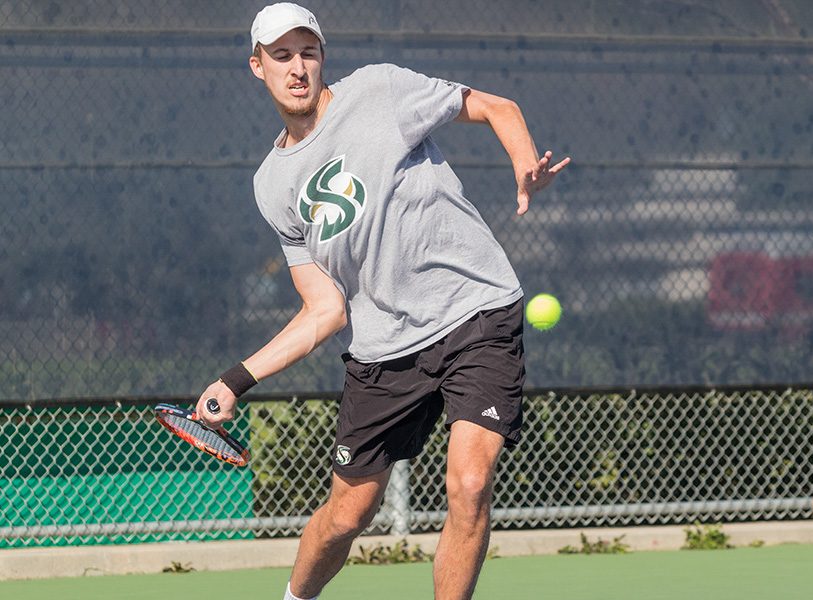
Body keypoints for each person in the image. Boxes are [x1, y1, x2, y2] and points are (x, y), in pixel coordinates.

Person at [196, 3, 570, 599]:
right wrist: (235, 380)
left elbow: (499, 106)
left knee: (469, 484)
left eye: (308, 52)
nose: (298, 67)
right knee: (348, 515)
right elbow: (324, 310)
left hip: (476, 311)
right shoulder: (272, 185)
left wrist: (523, 161)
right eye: (282, 55)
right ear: (257, 66)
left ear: (323, 58)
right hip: (384, 350)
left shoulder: (379, 89)